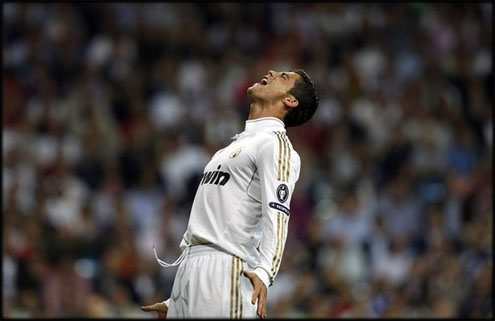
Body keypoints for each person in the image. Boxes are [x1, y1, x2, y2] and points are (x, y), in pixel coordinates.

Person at [141, 69, 319, 318]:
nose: (272, 72)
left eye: (283, 77)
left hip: (227, 269)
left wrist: (265, 272)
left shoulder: (274, 143)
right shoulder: (231, 148)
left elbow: (277, 215)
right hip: (190, 271)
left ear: (290, 100)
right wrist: (178, 301)